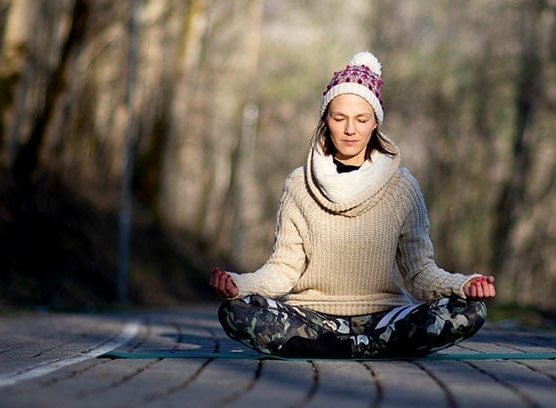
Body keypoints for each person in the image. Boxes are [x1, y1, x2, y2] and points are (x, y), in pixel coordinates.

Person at [209, 51, 496, 359]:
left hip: (384, 320)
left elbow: (418, 273)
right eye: (339, 118)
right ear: (325, 120)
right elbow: (284, 269)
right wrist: (240, 284)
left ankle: (344, 348)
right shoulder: (298, 184)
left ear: (375, 123)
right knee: (235, 312)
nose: (350, 130)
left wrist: (463, 286)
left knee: (469, 311)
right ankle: (360, 348)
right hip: (312, 319)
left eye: (361, 119)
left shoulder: (402, 188)